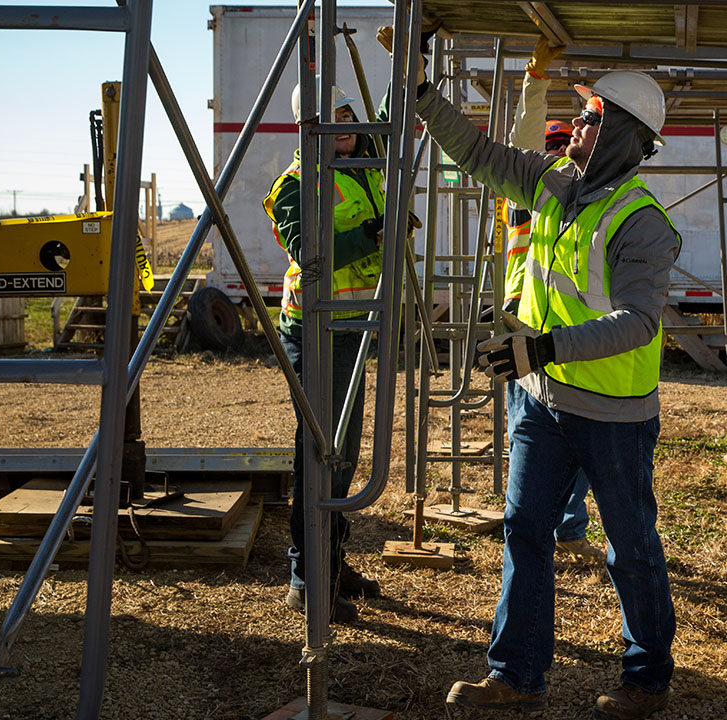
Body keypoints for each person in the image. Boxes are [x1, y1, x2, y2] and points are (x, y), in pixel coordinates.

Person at [382, 27, 680, 717]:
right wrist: (423, 92)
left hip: (614, 415)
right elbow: (479, 153)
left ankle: (647, 680)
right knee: (524, 530)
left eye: (590, 117)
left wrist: (541, 349)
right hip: (544, 405)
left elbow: (637, 323)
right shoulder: (552, 182)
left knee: (630, 547)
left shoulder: (643, 223)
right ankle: (516, 678)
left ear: (621, 136)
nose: (574, 124)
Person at [264, 84, 383, 623]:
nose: (348, 126)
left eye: (348, 114)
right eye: (333, 119)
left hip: (352, 325)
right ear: (309, 128)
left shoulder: (366, 165)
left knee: (344, 455)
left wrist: (414, 57)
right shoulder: (293, 186)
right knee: (320, 456)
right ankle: (305, 576)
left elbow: (396, 120)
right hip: (314, 330)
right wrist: (372, 234)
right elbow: (307, 256)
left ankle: (332, 562)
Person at [504, 39, 605, 565]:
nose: (561, 150)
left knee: (578, 440)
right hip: (526, 321)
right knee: (529, 435)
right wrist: (535, 81)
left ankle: (566, 527)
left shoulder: (597, 196)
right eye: (556, 143)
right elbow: (522, 139)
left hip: (570, 331)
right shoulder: (532, 191)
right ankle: (535, 526)